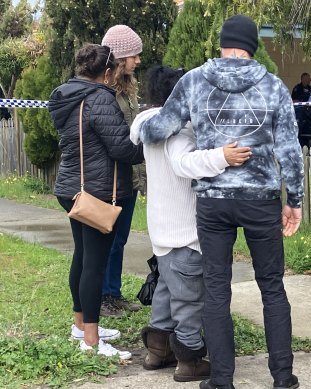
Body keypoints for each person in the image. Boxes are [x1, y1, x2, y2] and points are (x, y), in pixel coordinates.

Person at [132, 14, 304, 389]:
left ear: (222, 44)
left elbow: (161, 127)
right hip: (261, 198)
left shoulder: (194, 80)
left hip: (214, 201)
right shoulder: (273, 86)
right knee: (272, 288)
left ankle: (222, 380)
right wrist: (295, 200)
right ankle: (283, 378)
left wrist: (137, 130)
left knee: (216, 288)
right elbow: (290, 150)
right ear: (253, 46)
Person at [134, 65, 252, 382]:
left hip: (161, 229)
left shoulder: (149, 126)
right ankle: (189, 359)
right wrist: (223, 156)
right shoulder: (178, 132)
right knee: (188, 299)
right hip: (185, 232)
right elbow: (185, 163)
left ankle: (157, 350)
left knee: (165, 290)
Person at [48, 44, 143, 359]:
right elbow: (121, 149)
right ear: (107, 72)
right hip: (95, 193)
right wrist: (150, 146)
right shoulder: (100, 98)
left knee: (82, 257)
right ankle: (91, 339)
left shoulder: (64, 95)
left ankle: (81, 325)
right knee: (94, 264)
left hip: (71, 188)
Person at [100, 24, 144, 317]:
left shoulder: (129, 90)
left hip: (129, 177)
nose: (138, 61)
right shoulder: (103, 92)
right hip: (110, 178)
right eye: (134, 56)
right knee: (108, 240)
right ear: (120, 57)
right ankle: (103, 295)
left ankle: (113, 293)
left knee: (121, 239)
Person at [291, 73, 311, 148]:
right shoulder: (297, 88)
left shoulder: (310, 88)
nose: (310, 80)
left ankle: (307, 145)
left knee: (310, 127)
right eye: (308, 78)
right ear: (303, 79)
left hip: (308, 112)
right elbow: (293, 100)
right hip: (299, 111)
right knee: (299, 128)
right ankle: (298, 145)